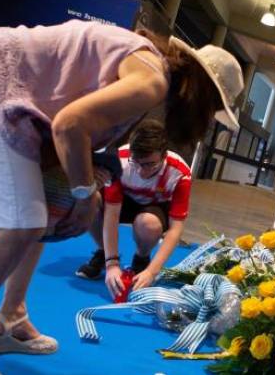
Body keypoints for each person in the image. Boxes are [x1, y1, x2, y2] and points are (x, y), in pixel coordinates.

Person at [0, 19, 243, 375]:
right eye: (212, 111)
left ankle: (11, 318)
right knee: (22, 223)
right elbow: (69, 125)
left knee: (40, 212)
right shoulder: (152, 80)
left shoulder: (148, 68)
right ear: (201, 94)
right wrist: (83, 194)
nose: (207, 122)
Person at [75, 120, 192, 299]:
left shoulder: (180, 173)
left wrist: (152, 272)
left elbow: (176, 229)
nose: (141, 171)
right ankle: (103, 251)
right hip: (125, 200)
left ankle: (141, 259)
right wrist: (112, 264)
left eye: (150, 164)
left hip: (153, 205)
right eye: (136, 162)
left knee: (149, 224)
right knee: (89, 200)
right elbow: (111, 214)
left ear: (164, 155)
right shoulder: (120, 161)